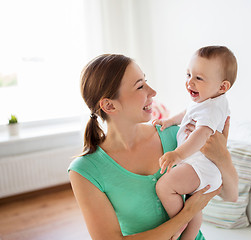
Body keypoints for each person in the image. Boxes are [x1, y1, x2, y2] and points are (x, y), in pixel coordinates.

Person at [68, 54, 238, 240]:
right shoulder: (85, 171)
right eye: (140, 86)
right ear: (109, 105)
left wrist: (223, 156)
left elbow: (230, 196)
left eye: (146, 81)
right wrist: (187, 213)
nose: (153, 92)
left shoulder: (175, 136)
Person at [153, 46, 238, 240]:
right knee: (194, 205)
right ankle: (188, 235)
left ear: (222, 87)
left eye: (199, 78)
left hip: (201, 166)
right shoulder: (206, 100)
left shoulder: (213, 110)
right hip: (201, 167)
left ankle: (180, 223)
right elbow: (187, 112)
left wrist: (178, 155)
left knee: (164, 187)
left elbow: (200, 135)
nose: (190, 82)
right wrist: (169, 121)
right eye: (188, 74)